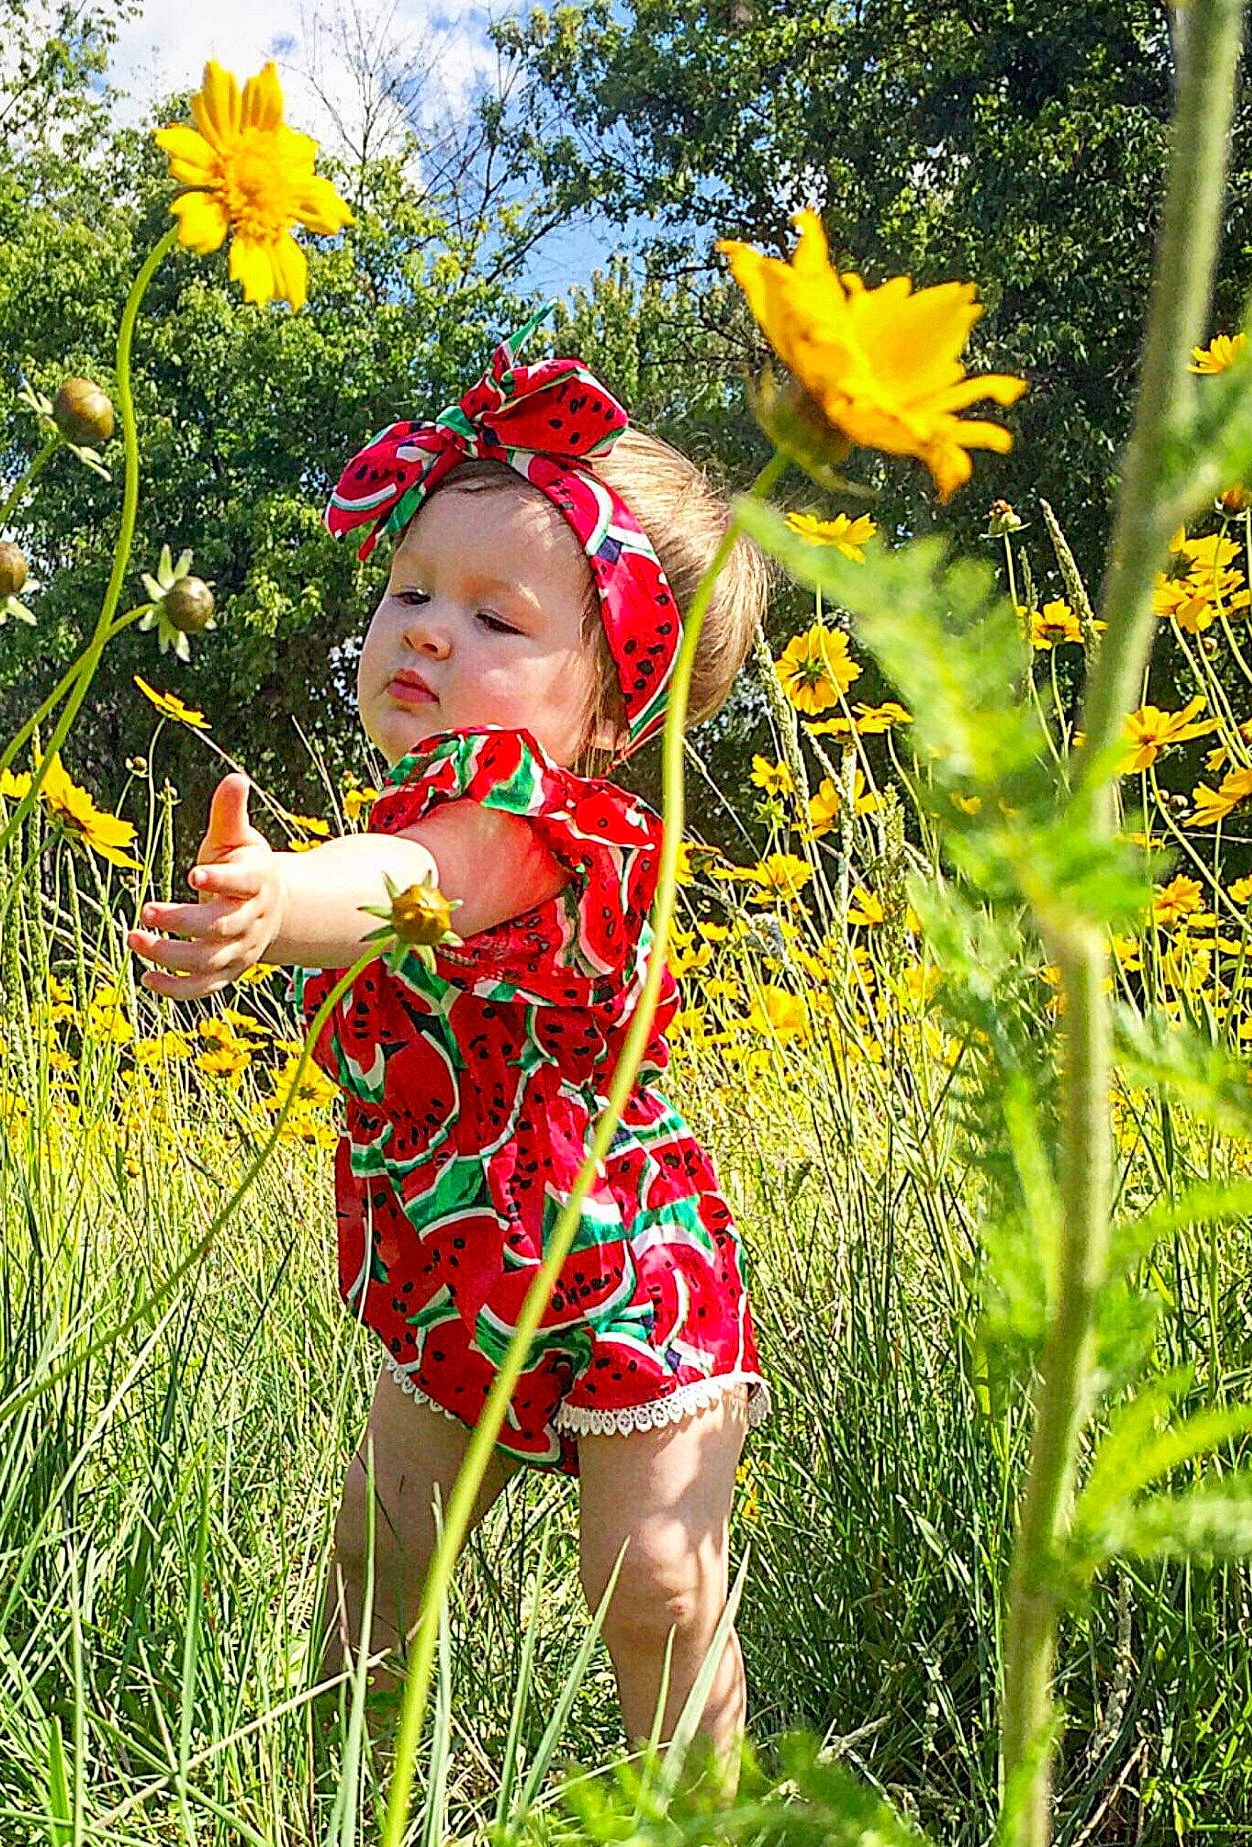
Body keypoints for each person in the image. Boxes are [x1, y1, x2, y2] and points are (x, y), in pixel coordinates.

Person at [129, 322, 771, 1762]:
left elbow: (404, 891)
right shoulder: (429, 799)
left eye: (499, 619)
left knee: (652, 1583)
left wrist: (278, 899)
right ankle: (341, 1809)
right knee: (376, 1557)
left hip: (617, 1265)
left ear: (620, 710)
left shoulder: (532, 820)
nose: (425, 628)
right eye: (413, 588)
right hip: (459, 1263)